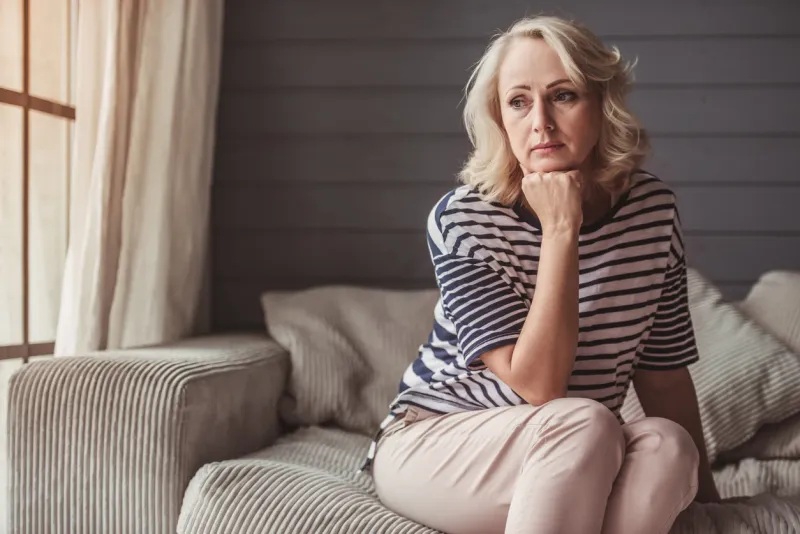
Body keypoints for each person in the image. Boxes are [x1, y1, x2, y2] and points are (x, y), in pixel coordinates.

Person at [362, 14, 721, 534]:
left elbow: (662, 374)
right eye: (519, 101)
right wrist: (561, 230)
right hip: (435, 440)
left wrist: (709, 498)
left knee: (668, 445)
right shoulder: (464, 218)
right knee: (586, 420)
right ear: (500, 118)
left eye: (564, 96)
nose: (541, 123)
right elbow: (540, 386)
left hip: (576, 447)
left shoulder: (652, 211)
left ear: (602, 104)